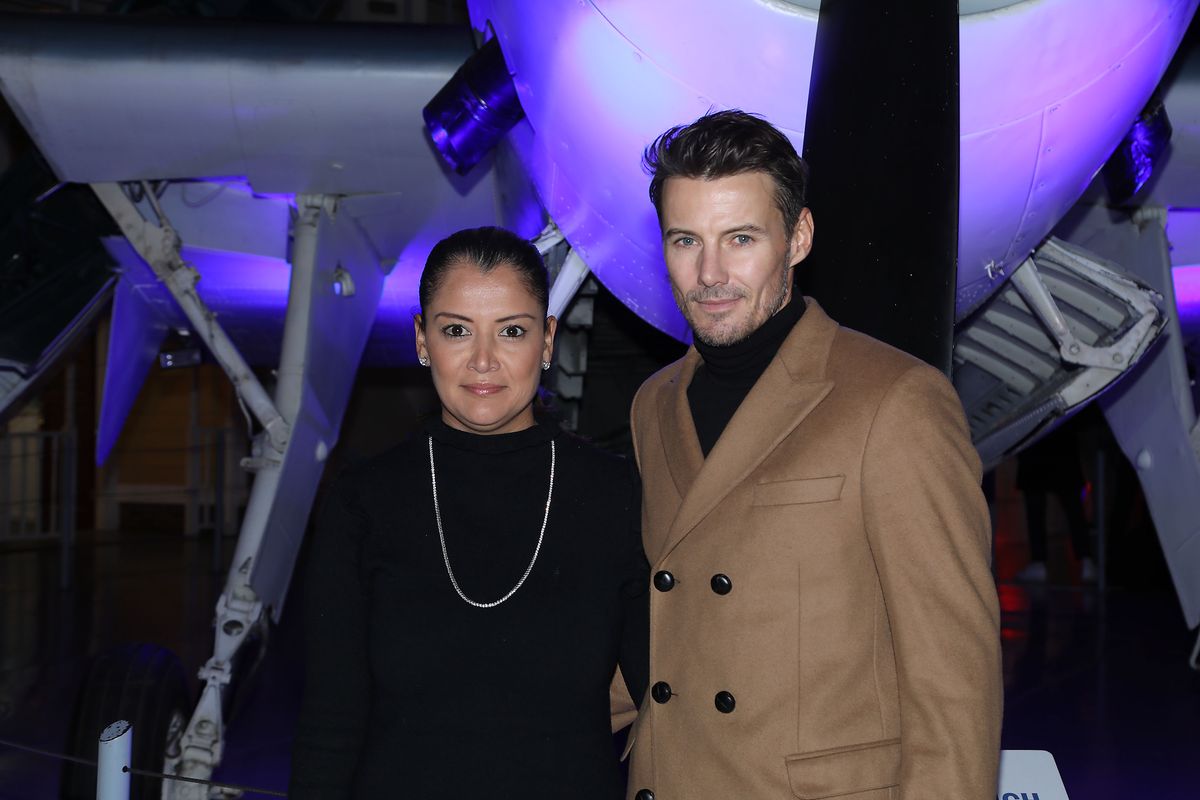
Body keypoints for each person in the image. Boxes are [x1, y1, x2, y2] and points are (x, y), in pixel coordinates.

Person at [622, 111, 1002, 799]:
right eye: (686, 241)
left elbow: (953, 678)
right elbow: (671, 628)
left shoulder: (895, 400)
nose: (710, 274)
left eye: (741, 239)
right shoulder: (654, 405)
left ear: (797, 238)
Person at [289, 226, 648, 799]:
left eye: (512, 331)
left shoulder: (617, 497)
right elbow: (330, 723)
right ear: (422, 339)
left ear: (548, 341)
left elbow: (671, 698)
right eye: (457, 330)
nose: (483, 360)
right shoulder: (365, 502)